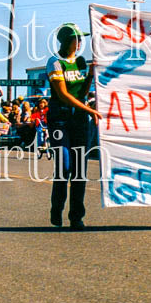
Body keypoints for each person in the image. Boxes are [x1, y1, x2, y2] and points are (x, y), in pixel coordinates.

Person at [46, 23, 101, 230]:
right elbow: (63, 95)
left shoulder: (79, 62)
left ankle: (76, 216)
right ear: (67, 40)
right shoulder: (55, 62)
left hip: (79, 120)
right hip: (60, 119)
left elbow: (83, 93)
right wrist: (90, 111)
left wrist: (90, 75)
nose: (79, 44)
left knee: (80, 169)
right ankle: (57, 208)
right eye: (76, 39)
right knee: (65, 166)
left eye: (81, 40)